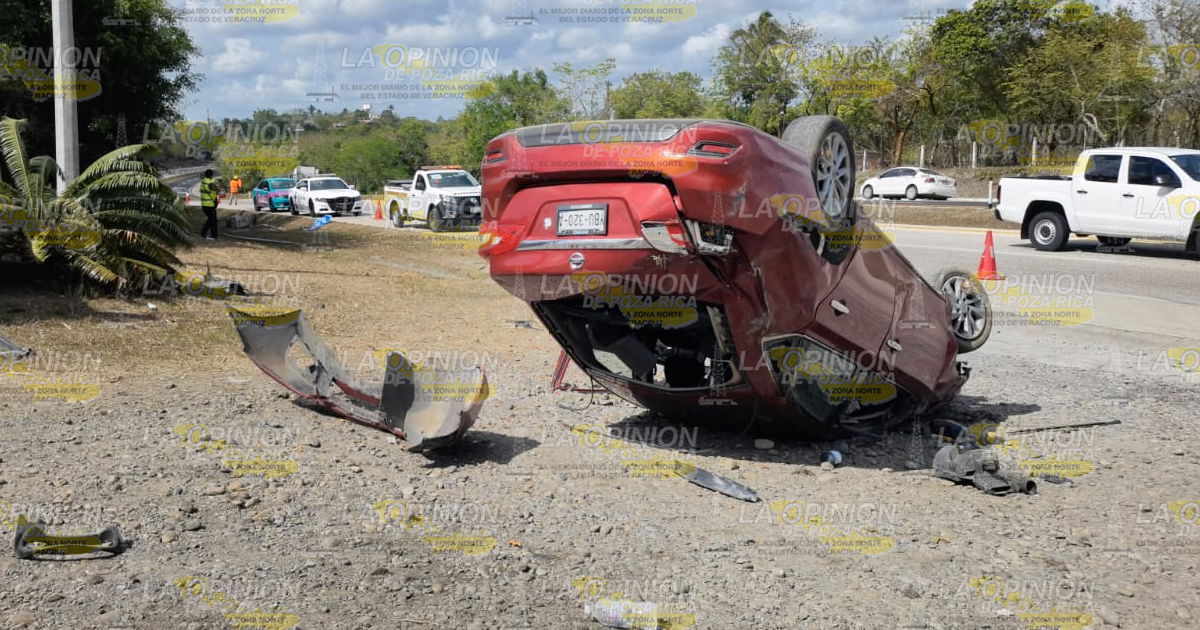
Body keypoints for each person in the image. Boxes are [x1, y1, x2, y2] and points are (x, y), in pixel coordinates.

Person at [200, 169, 219, 242]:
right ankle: (213, 235)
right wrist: (219, 186)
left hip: (204, 205)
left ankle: (203, 232)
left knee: (210, 219)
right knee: (213, 220)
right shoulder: (210, 183)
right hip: (210, 205)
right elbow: (215, 190)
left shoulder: (203, 183)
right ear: (211, 175)